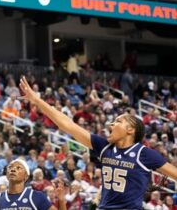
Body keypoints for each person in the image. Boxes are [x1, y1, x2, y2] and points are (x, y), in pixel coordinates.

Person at [19, 77, 177, 209]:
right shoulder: (104, 146)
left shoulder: (144, 154)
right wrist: (37, 101)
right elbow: (67, 124)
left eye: (118, 122)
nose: (111, 125)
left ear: (131, 130)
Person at [0, 159, 66, 210]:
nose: (12, 169)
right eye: (10, 167)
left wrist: (61, 200)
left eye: (18, 168)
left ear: (26, 177)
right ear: (6, 175)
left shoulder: (37, 196)